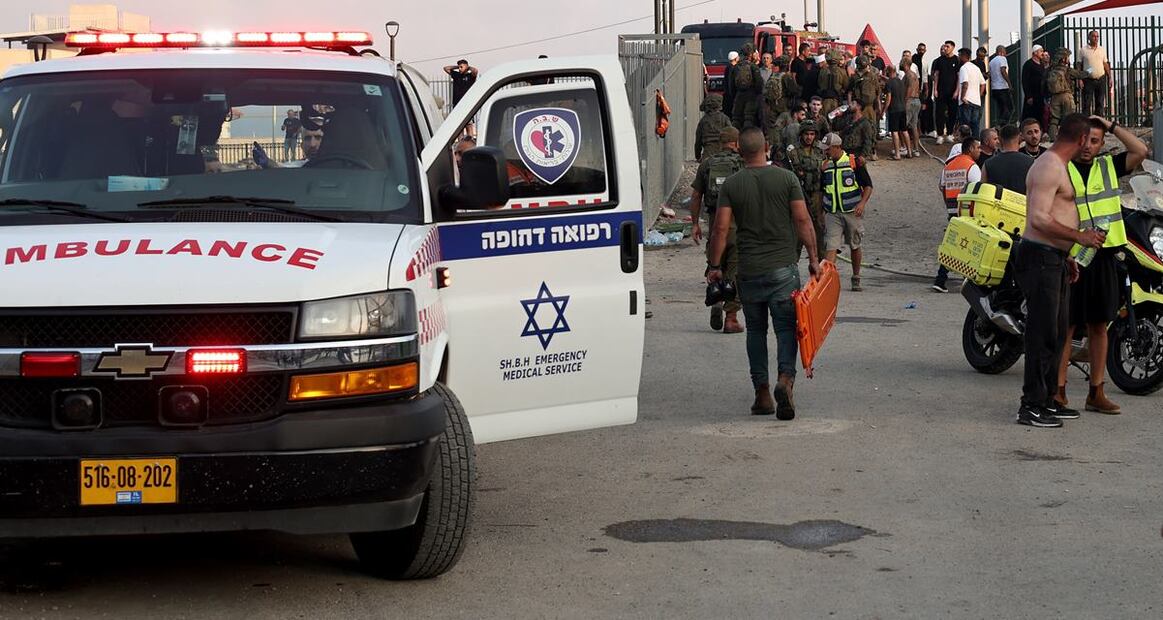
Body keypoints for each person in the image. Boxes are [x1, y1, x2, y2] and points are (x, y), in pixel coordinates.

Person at [707, 127, 820, 419]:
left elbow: (720, 229)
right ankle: (786, 380)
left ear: (740, 152)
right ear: (766, 147)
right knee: (785, 329)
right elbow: (803, 220)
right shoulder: (786, 178)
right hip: (783, 270)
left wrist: (715, 266)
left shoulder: (732, 184)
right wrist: (814, 259)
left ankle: (762, 394)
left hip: (749, 271)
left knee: (755, 331)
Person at [1013, 113, 1107, 428]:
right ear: (1081, 139)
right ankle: (1031, 405)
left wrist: (1067, 255)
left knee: (1056, 332)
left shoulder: (1057, 165)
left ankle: (1049, 399)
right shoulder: (1048, 166)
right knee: (1040, 334)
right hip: (1038, 257)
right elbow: (1038, 218)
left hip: (1054, 257)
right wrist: (1079, 237)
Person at [1054, 116, 1149, 415]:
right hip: (1072, 256)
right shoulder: (1061, 167)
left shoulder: (1108, 166)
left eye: (1095, 141)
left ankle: (1096, 392)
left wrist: (1111, 126)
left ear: (1101, 144)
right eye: (1085, 140)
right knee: (1067, 325)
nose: (1089, 147)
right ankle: (1058, 391)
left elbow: (1141, 151)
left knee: (1099, 325)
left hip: (1105, 255)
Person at [692, 126, 746, 334]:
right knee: (735, 270)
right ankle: (731, 318)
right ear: (735, 143)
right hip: (736, 224)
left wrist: (695, 223)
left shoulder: (707, 165)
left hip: (715, 224)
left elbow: (696, 196)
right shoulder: (742, 164)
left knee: (715, 265)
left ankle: (716, 300)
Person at [820, 132, 873, 292]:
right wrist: (821, 211)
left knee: (855, 245)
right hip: (832, 213)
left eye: (827, 149)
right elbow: (822, 190)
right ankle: (828, 281)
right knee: (831, 246)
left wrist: (862, 204)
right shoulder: (825, 166)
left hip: (852, 212)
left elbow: (868, 186)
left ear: (837, 147)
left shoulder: (853, 162)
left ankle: (856, 277)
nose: (825, 152)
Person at [932, 137, 982, 293]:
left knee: (952, 245)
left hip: (952, 211)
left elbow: (942, 187)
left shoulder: (948, 167)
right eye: (978, 148)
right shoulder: (972, 167)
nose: (979, 151)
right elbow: (978, 189)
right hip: (967, 212)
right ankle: (969, 281)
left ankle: (941, 279)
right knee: (971, 246)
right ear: (970, 149)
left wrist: (949, 205)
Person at [787, 121, 827, 259]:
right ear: (801, 134)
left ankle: (822, 264)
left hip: (816, 194)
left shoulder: (820, 148)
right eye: (806, 134)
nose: (809, 137)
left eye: (812, 134)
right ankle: (792, 262)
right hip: (799, 195)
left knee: (819, 230)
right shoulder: (792, 150)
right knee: (797, 230)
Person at [982, 124, 1035, 193]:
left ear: (1000, 139)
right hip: (1023, 203)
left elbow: (983, 190)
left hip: (997, 202)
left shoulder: (988, 164)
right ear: (1019, 138)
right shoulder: (1031, 162)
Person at [1046, 48, 1085, 141]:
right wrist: (1091, 70)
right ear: (1063, 59)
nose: (1068, 59)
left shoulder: (1051, 69)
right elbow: (1080, 74)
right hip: (1066, 96)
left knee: (1054, 119)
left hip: (1054, 97)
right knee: (1069, 119)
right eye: (1067, 57)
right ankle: (1068, 138)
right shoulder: (1067, 69)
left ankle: (1052, 138)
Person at [931, 40, 961, 144]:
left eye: (947, 46)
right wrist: (935, 89)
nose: (945, 48)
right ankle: (940, 135)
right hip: (941, 91)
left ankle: (949, 134)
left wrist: (957, 91)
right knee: (939, 113)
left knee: (952, 113)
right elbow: (936, 75)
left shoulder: (957, 60)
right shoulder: (939, 60)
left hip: (952, 92)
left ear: (953, 47)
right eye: (945, 46)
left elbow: (958, 77)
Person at [1079, 30, 1112, 116]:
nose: (1096, 38)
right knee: (1086, 103)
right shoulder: (1083, 50)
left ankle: (1099, 123)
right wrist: (1080, 79)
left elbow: (1105, 63)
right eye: (1094, 36)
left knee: (1100, 103)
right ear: (1089, 38)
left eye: (1097, 36)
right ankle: (1086, 123)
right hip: (1088, 79)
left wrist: (1110, 77)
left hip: (1101, 78)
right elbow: (1079, 65)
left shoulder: (1102, 50)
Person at [732, 44, 764, 130]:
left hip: (739, 95)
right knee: (749, 118)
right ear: (751, 54)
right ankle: (747, 137)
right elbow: (759, 83)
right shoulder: (753, 66)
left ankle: (735, 138)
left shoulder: (736, 66)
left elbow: (731, 85)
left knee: (736, 118)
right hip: (751, 95)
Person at [884, 65, 913, 160]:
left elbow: (888, 98)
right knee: (904, 130)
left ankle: (897, 154)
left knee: (894, 132)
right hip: (902, 108)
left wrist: (884, 110)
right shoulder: (901, 81)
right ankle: (909, 152)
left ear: (888, 71)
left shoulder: (889, 83)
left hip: (894, 109)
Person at [694, 93, 733, 161]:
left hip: (708, 153)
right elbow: (732, 134)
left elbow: (698, 142)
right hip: (723, 152)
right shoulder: (724, 118)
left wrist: (698, 156)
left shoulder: (703, 121)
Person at [957, 47, 987, 138]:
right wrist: (979, 94)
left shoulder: (964, 68)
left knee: (965, 125)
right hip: (976, 101)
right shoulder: (976, 68)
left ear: (963, 56)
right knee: (975, 125)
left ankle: (966, 144)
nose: (958, 57)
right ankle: (976, 143)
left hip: (966, 101)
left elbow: (965, 83)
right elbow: (983, 83)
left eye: (959, 55)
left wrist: (962, 97)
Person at [1021, 45, 1048, 132]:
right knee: (1029, 115)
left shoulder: (1041, 65)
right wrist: (1028, 96)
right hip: (1032, 96)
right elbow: (1025, 81)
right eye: (1040, 51)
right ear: (1035, 53)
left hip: (1040, 95)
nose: (1042, 53)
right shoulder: (1028, 64)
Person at [914, 42, 936, 137]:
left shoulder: (925, 62)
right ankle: (918, 131)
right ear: (917, 50)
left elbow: (925, 77)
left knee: (924, 109)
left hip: (922, 89)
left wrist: (926, 89)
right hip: (914, 88)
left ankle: (924, 130)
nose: (921, 51)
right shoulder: (913, 60)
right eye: (920, 50)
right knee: (917, 111)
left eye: (923, 50)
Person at [817, 49, 849, 116]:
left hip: (825, 99)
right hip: (836, 100)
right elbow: (846, 86)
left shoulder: (822, 71)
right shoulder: (842, 72)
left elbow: (819, 83)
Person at [989, 45, 1013, 126]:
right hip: (1002, 87)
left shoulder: (991, 62)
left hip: (994, 89)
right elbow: (1003, 70)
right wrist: (1009, 84)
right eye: (1005, 52)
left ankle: (1000, 125)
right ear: (1001, 52)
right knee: (1009, 108)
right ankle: (1003, 126)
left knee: (1002, 108)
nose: (1006, 54)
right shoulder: (1002, 58)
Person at [903, 58, 922, 156]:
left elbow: (910, 88)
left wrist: (905, 100)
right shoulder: (915, 75)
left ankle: (906, 148)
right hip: (917, 100)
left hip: (910, 100)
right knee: (914, 126)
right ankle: (916, 149)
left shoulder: (909, 75)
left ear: (905, 64)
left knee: (903, 125)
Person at [724, 50, 740, 117]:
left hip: (727, 97)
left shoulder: (727, 68)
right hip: (735, 96)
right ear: (736, 58)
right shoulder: (736, 68)